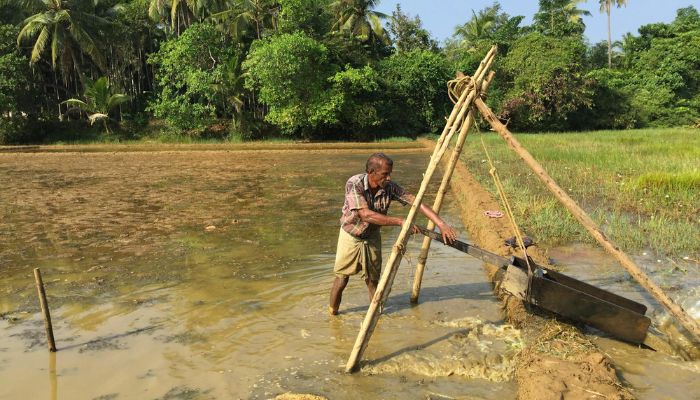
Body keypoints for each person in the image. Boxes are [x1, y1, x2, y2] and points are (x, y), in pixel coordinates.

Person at [329, 152, 457, 316]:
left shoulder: (389, 186)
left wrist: (441, 224)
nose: (389, 178)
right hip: (351, 235)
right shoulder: (355, 183)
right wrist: (401, 221)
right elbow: (365, 215)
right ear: (371, 172)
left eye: (390, 173)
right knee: (342, 278)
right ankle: (333, 314)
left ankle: (376, 315)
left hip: (372, 235)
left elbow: (416, 202)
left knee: (373, 280)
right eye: (385, 174)